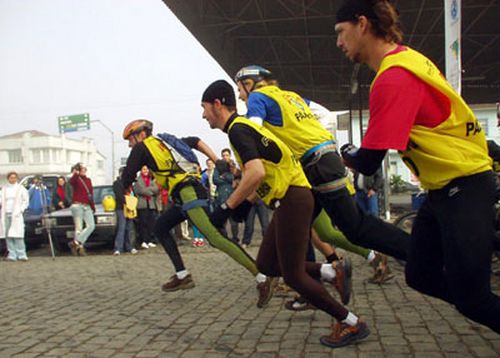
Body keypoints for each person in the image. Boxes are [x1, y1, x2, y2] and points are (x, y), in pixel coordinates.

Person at [335, 0, 500, 333]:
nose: (339, 42)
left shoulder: (393, 78)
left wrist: (342, 150)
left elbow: (369, 160)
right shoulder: (408, 58)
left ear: (362, 24)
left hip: (464, 184)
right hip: (443, 189)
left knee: (473, 298)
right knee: (420, 275)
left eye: (341, 32)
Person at [202, 79, 369, 348]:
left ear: (217, 105)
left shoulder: (238, 131)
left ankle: (351, 323)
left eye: (205, 108)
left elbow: (255, 171)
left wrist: (226, 207)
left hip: (293, 197)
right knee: (266, 265)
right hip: (289, 197)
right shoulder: (243, 128)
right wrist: (247, 201)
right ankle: (331, 271)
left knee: (293, 276)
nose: (203, 114)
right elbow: (264, 171)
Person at [234, 65, 405, 276]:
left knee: (353, 226)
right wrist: (317, 141)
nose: (240, 96)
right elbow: (324, 114)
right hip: (323, 159)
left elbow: (254, 132)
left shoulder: (257, 97)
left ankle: (414, 251)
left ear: (249, 84)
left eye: (240, 89)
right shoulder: (290, 96)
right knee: (302, 226)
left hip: (316, 165)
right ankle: (309, 279)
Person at [120, 119, 276, 308]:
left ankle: (262, 277)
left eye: (130, 139)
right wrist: (216, 159)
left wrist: (122, 190)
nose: (129, 144)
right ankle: (182, 275)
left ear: (141, 134)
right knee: (160, 227)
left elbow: (127, 176)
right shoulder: (166, 141)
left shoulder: (141, 148)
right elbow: (195, 141)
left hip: (188, 193)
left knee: (215, 237)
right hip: (185, 194)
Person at [0, 171, 29, 261]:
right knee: (8, 235)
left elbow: (25, 201)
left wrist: (21, 210)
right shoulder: (4, 189)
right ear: (8, 178)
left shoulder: (21, 189)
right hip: (6, 213)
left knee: (18, 235)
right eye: (11, 177)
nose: (12, 179)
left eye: (14, 177)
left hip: (16, 214)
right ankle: (12, 254)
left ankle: (22, 254)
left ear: (16, 178)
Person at [68, 163, 96, 256]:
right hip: (77, 205)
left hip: (87, 205)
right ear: (78, 170)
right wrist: (75, 173)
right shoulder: (76, 179)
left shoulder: (88, 180)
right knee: (79, 228)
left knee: (91, 226)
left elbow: (90, 194)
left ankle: (76, 242)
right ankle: (79, 248)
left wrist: (92, 206)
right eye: (81, 169)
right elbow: (71, 182)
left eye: (85, 168)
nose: (84, 170)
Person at [113, 167, 138, 256]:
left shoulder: (130, 184)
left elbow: (134, 194)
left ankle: (130, 247)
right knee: (121, 228)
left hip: (131, 208)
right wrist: (127, 202)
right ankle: (118, 248)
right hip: (121, 208)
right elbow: (119, 195)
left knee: (130, 228)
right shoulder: (117, 183)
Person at [134, 165, 159, 249]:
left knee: (151, 223)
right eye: (144, 169)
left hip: (151, 205)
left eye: (147, 169)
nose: (145, 170)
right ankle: (144, 241)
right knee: (143, 223)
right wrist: (150, 190)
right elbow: (141, 190)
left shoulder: (152, 180)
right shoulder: (138, 180)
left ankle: (150, 240)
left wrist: (148, 190)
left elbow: (156, 189)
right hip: (142, 205)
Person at [219, 149, 241, 243]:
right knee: (223, 220)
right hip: (223, 196)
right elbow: (216, 179)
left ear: (230, 156)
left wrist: (226, 177)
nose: (225, 157)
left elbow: (237, 179)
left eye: (227, 155)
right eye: (223, 155)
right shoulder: (219, 167)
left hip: (234, 196)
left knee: (234, 221)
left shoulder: (235, 167)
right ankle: (224, 238)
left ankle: (235, 238)